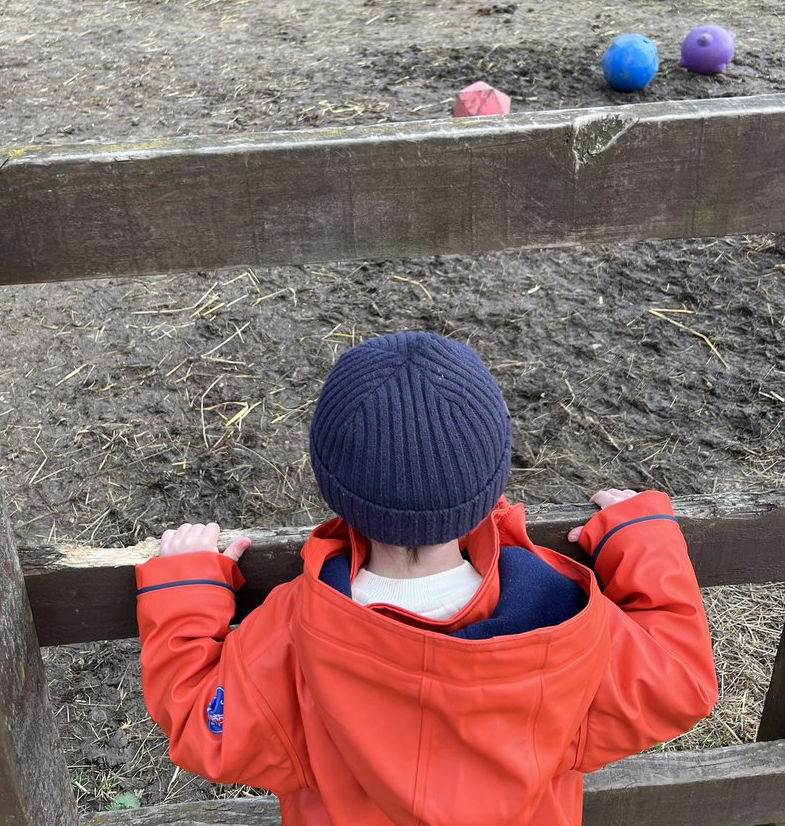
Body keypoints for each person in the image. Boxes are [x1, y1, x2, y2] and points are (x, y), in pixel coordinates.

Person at [136, 331, 717, 826]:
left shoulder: (295, 631)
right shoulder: (567, 625)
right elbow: (682, 682)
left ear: (332, 487)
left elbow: (201, 719)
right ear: (489, 483)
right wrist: (639, 537)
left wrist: (184, 587)